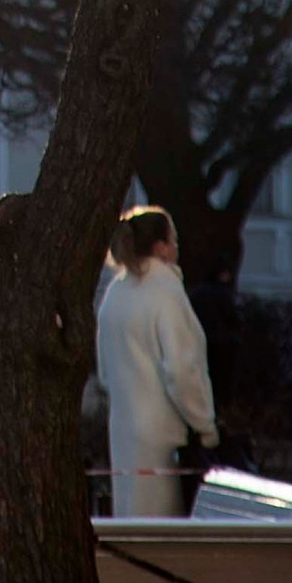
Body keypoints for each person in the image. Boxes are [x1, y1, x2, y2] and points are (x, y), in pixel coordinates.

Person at [95, 204, 217, 515]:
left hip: (122, 431)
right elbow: (181, 371)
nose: (177, 247)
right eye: (174, 240)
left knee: (130, 521)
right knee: (163, 524)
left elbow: (105, 373)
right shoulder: (167, 293)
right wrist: (205, 425)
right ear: (161, 247)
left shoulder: (115, 293)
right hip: (164, 438)